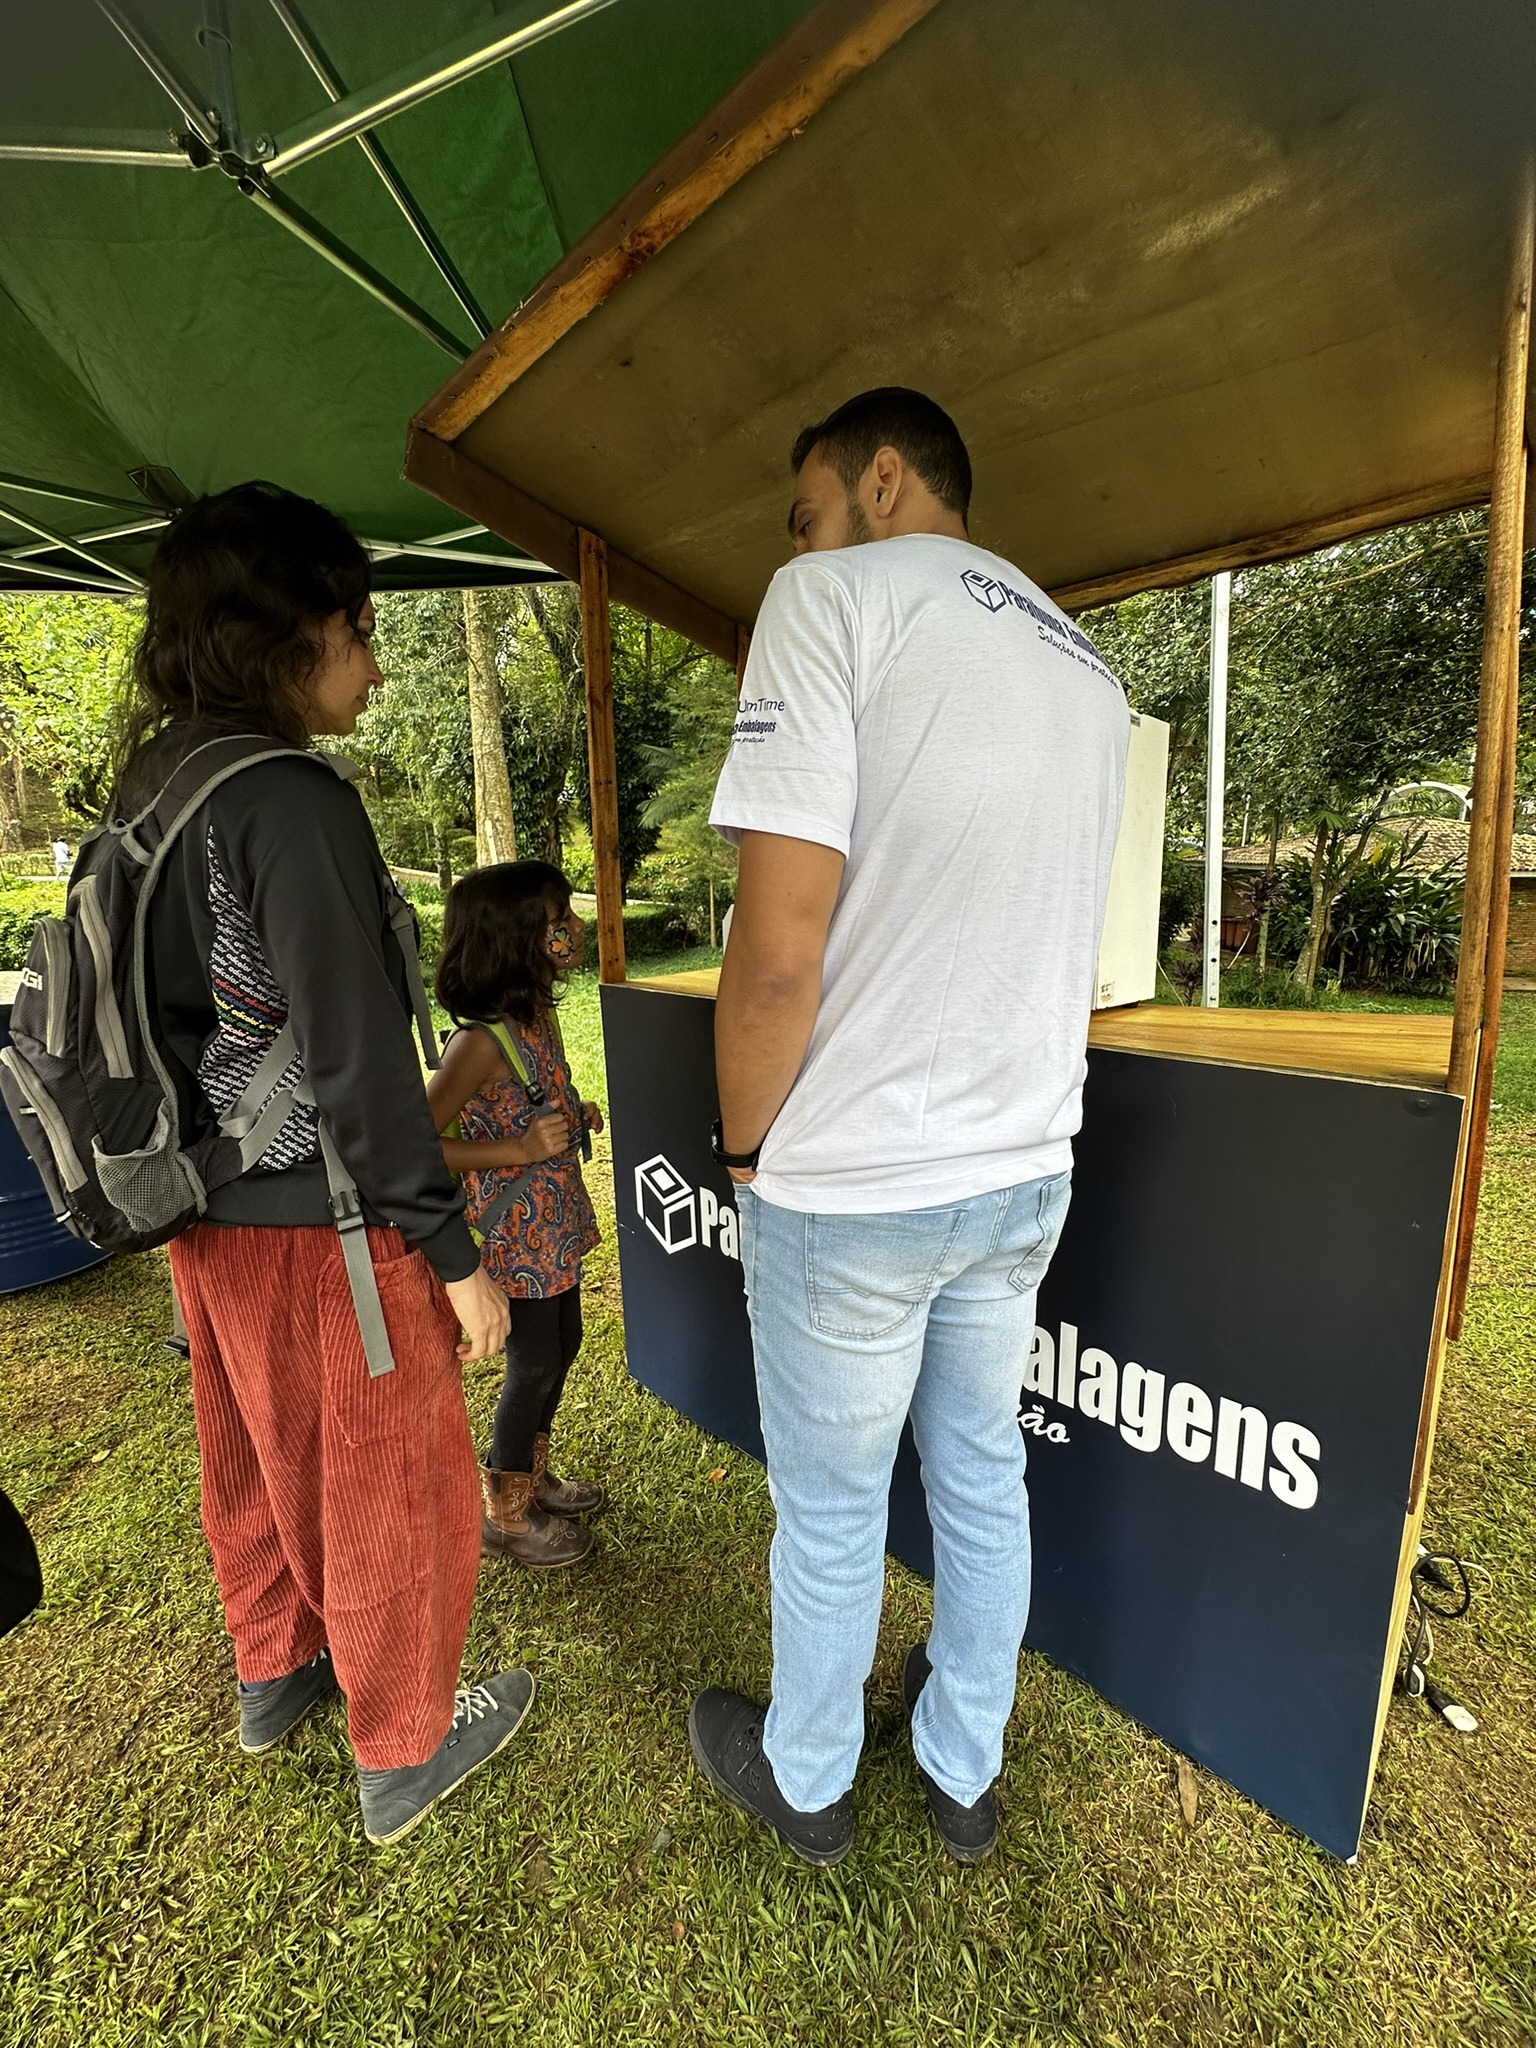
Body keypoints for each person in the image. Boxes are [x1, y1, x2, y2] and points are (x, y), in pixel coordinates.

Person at [689, 388, 1129, 1866]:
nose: (797, 541)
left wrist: (747, 1154)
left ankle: (809, 1782)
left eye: (805, 509)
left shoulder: (828, 602)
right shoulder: (1083, 664)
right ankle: (960, 1768)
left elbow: (775, 948)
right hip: (1023, 1168)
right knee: (981, 1475)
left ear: (883, 479)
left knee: (828, 1509)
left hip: (857, 1177)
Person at [115, 481, 530, 1848]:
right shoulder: (288, 801)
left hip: (201, 1214)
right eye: (360, 626)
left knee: (247, 1457)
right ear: (292, 633)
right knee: (384, 1479)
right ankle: (405, 1743)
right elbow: (356, 1063)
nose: (374, 657)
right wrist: (452, 1255)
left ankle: (274, 1672)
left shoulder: (155, 786)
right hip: (322, 1228)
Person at [427, 862, 605, 1568]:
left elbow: (535, 1099)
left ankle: (528, 1478)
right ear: (514, 940)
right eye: (557, 919)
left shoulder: (537, 1017)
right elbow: (416, 1143)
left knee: (566, 1344)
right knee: (532, 1363)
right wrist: (518, 1146)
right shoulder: (477, 1043)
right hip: (513, 1237)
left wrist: (570, 1113)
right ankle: (503, 1511)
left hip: (552, 1224)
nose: (570, 931)